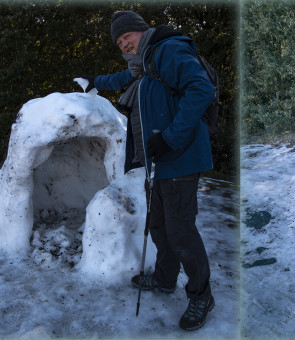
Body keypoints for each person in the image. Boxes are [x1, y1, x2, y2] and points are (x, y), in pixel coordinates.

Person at [77, 10, 214, 331]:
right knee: (159, 226)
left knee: (180, 230)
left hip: (180, 156)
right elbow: (123, 79)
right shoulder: (144, 64)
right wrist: (95, 82)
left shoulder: (168, 50)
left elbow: (200, 89)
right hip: (160, 160)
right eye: (120, 42)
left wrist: (170, 138)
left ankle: (201, 294)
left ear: (143, 31)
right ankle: (165, 278)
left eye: (128, 37)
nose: (124, 44)